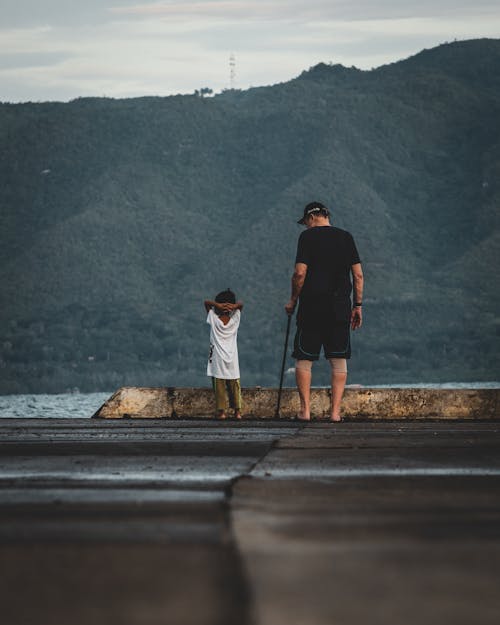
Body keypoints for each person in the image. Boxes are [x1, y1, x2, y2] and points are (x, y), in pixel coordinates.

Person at [285, 201, 363, 422]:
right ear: (326, 216)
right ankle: (335, 413)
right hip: (339, 308)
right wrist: (357, 306)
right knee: (338, 360)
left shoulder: (307, 238)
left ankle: (305, 411)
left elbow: (300, 273)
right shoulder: (346, 237)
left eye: (306, 223)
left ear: (311, 218)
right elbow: (358, 276)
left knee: (304, 359)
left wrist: (292, 300)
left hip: (311, 307)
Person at [204, 289, 244, 420]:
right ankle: (237, 412)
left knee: (219, 386)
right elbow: (241, 305)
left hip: (217, 359)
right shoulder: (235, 320)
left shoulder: (214, 319)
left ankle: (222, 412)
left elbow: (206, 303)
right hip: (232, 359)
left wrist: (217, 305)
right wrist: (233, 306)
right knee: (234, 385)